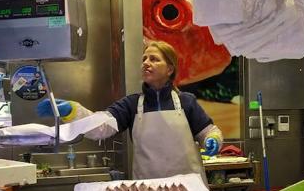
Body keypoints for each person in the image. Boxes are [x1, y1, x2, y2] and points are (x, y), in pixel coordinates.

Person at [36, 41, 223, 181]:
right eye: (144, 59)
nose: (146, 63)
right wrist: (73, 111)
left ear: (169, 69)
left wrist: (212, 139)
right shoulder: (131, 104)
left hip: (189, 187)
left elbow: (208, 131)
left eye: (154, 59)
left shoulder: (186, 101)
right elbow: (100, 127)